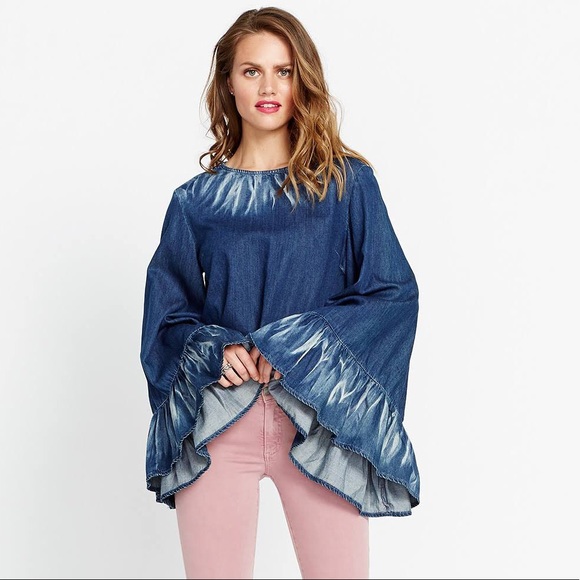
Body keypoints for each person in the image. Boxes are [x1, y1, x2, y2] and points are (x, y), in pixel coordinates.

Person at [139, 6, 420, 579]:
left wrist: (296, 347)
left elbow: (393, 292)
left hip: (319, 421)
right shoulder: (195, 202)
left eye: (284, 71)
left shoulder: (346, 185)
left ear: (302, 80)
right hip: (219, 421)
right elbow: (165, 316)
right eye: (252, 71)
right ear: (228, 83)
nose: (269, 87)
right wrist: (214, 349)